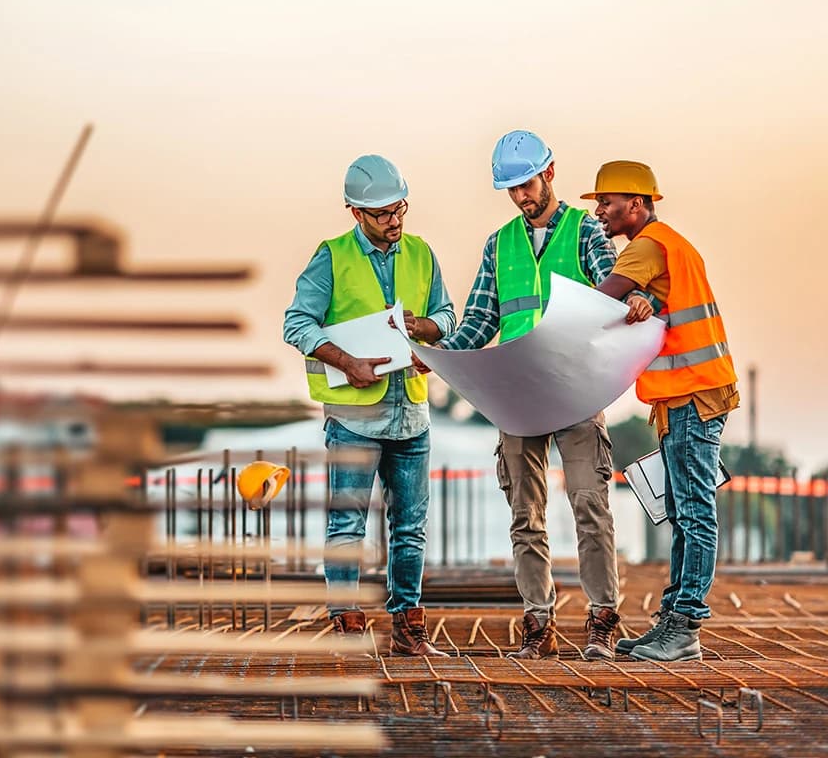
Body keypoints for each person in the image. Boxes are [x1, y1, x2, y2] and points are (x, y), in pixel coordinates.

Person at [436, 130, 641, 660]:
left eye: (526, 184)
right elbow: (480, 319)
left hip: (576, 387)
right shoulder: (499, 244)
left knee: (591, 505)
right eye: (511, 190)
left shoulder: (585, 232)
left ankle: (602, 620)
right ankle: (538, 621)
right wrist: (443, 356)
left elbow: (611, 292)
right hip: (519, 394)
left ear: (549, 173)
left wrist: (636, 301)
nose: (521, 197)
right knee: (525, 514)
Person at [283, 154, 455, 656]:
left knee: (410, 527)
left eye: (399, 208)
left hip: (411, 412)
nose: (394, 220)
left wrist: (425, 333)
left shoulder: (421, 253)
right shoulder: (331, 256)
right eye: (381, 213)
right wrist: (346, 360)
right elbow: (297, 324)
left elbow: (445, 313)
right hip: (354, 418)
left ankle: (409, 627)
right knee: (347, 525)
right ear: (355, 212)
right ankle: (348, 625)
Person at [586, 160, 738, 662]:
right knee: (684, 511)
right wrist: (643, 300)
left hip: (693, 395)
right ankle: (673, 622)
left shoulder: (648, 246)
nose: (600, 214)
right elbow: (648, 302)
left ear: (636, 203)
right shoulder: (671, 245)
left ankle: (686, 626)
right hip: (689, 396)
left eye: (606, 203)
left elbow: (599, 302)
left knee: (694, 511)